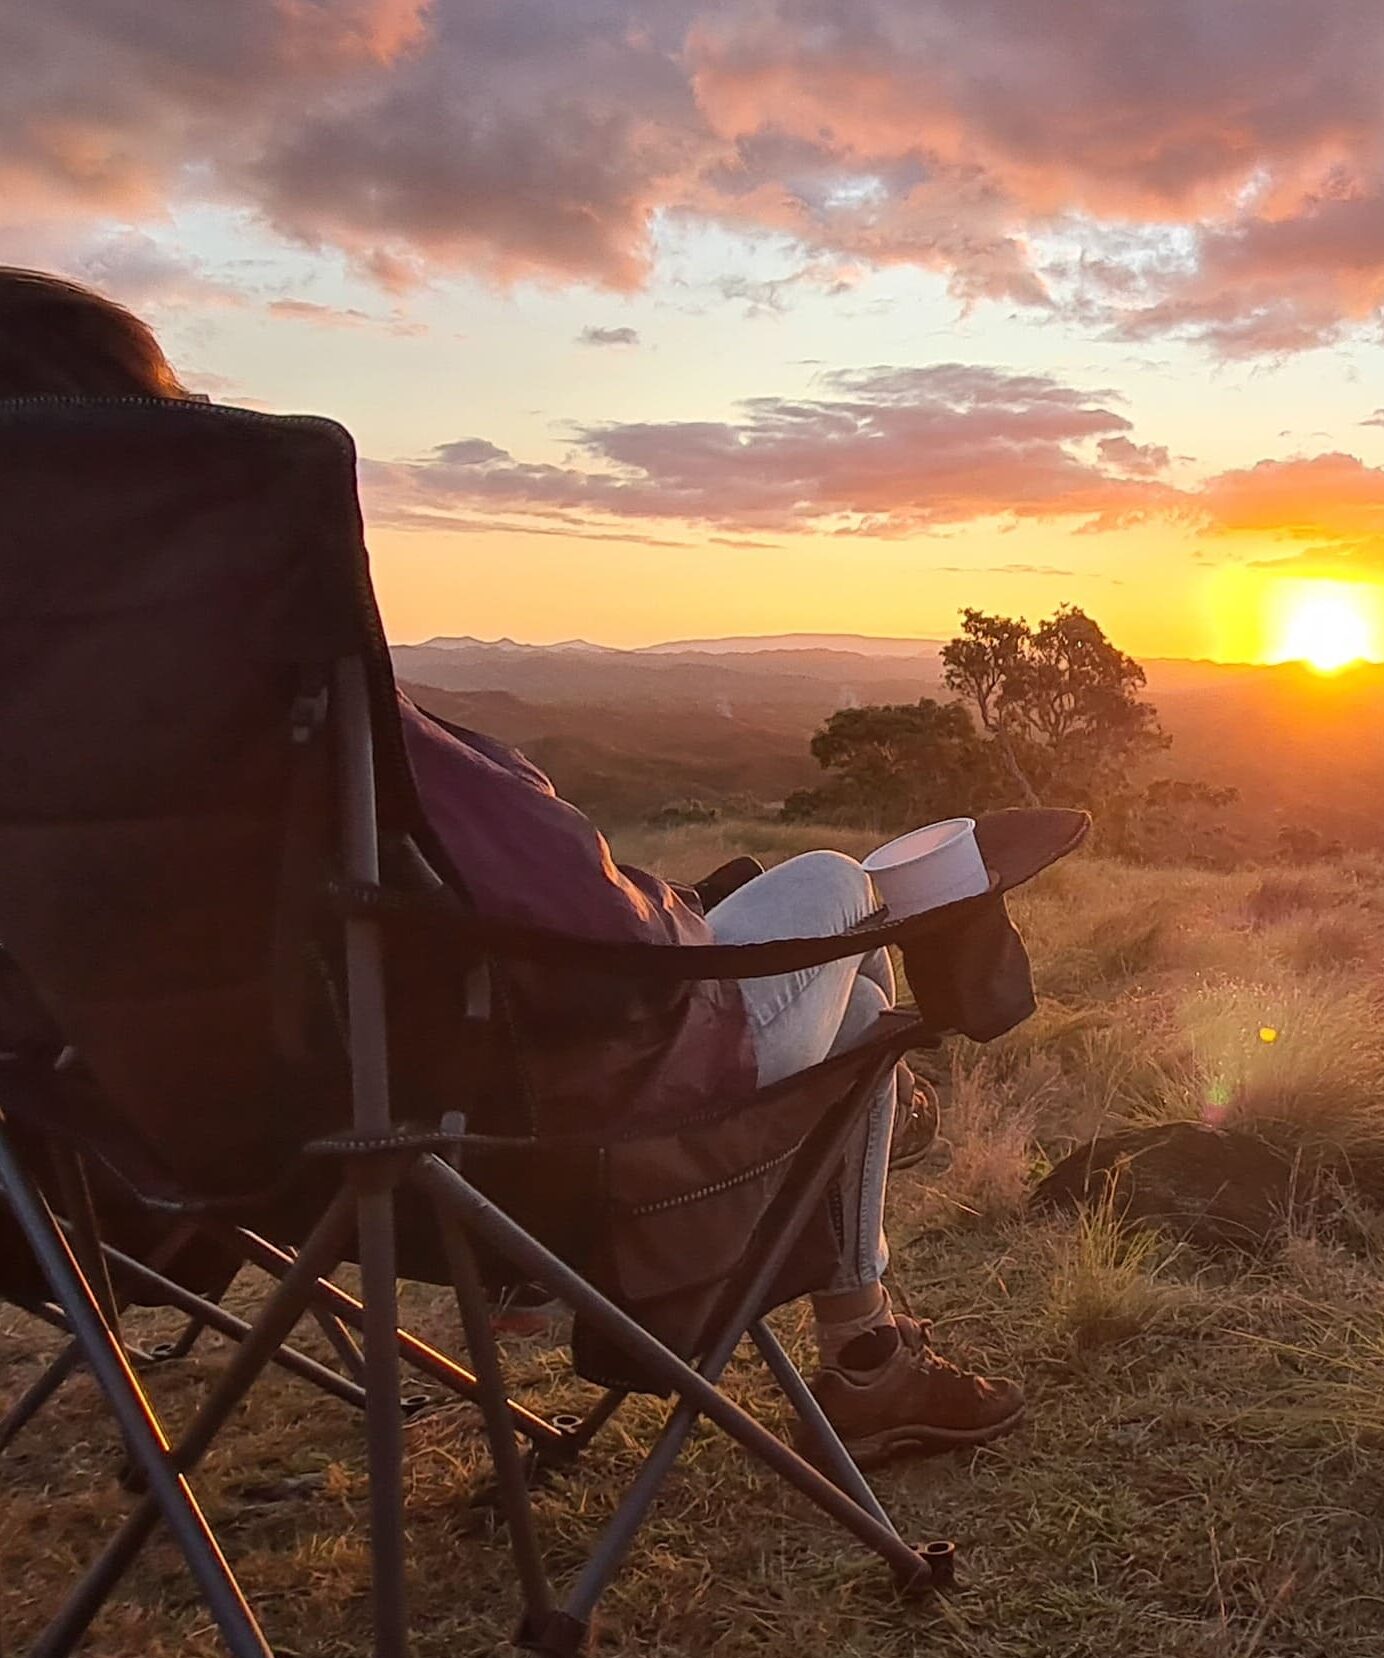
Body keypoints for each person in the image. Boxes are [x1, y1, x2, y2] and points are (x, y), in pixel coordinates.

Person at [0, 266, 1024, 1466]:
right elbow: (598, 944)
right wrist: (681, 913)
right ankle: (866, 1348)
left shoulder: (60, 766)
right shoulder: (274, 725)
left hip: (137, 1162)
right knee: (842, 911)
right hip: (507, 1151)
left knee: (842, 1008)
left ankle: (866, 1339)